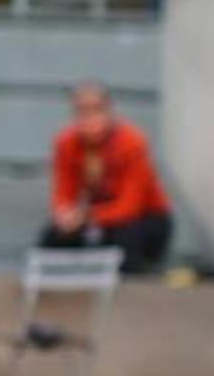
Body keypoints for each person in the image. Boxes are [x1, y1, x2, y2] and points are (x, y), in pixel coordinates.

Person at [40, 81, 173, 273]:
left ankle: (132, 291)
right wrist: (65, 216)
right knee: (53, 236)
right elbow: (63, 194)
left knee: (127, 236)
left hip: (143, 219)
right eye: (82, 111)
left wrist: (86, 216)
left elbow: (130, 206)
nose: (90, 118)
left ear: (109, 111)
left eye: (97, 109)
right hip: (99, 216)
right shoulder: (66, 143)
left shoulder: (131, 141)